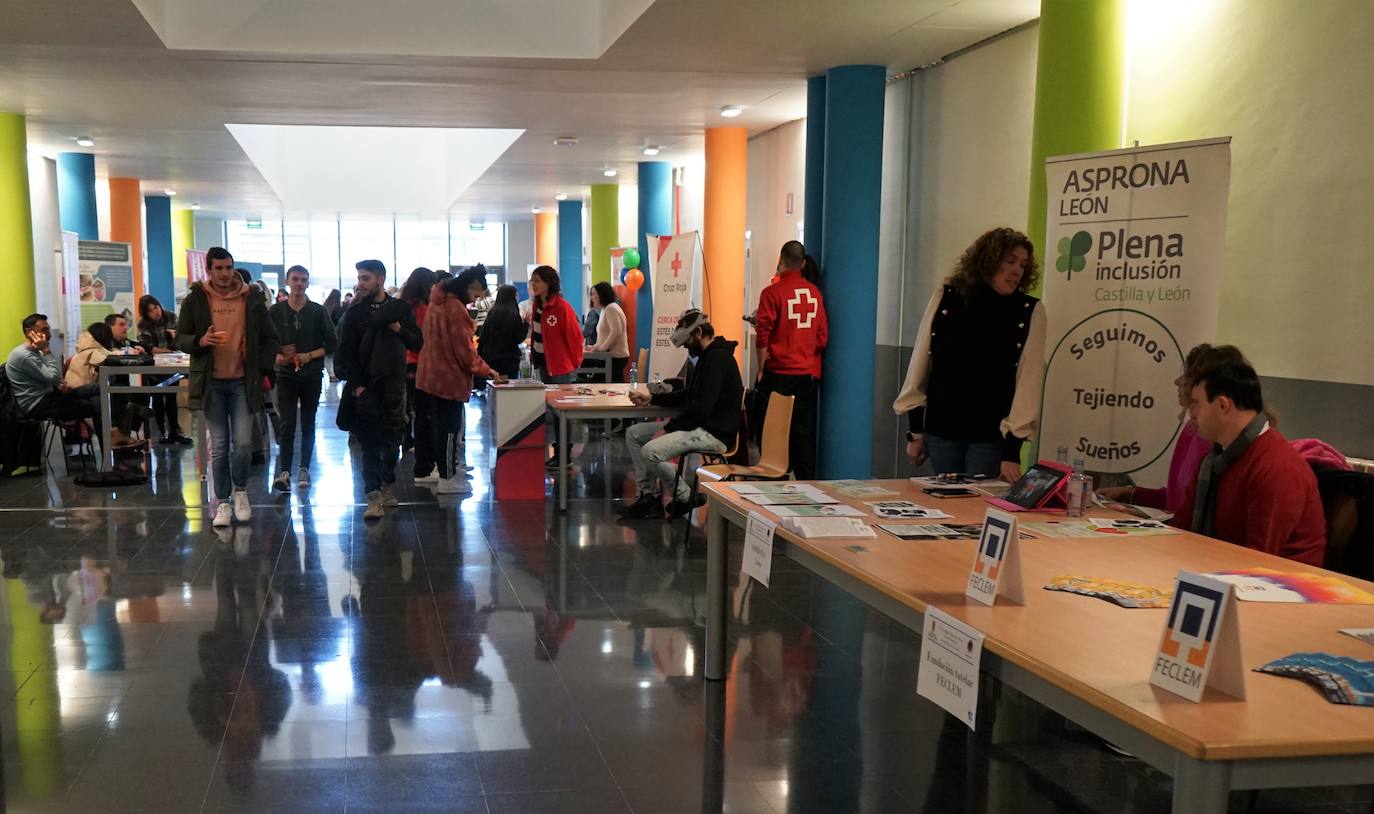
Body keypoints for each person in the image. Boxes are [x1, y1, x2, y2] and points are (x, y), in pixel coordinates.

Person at [893, 227, 1046, 483]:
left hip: (989, 435)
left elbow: (1028, 384)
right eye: (1010, 261)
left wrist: (1012, 452)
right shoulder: (947, 298)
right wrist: (916, 433)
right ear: (989, 260)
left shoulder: (1028, 311)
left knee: (976, 508)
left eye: (1022, 265)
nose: (1017, 270)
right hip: (941, 430)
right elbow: (920, 365)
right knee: (943, 504)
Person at [1171, 359, 1326, 565]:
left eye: (1197, 404)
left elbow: (1258, 559)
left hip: (1280, 586)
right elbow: (1181, 530)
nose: (1193, 413)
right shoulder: (1213, 461)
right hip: (1225, 572)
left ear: (1222, 405)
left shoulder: (1276, 466)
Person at [176, 246, 280, 528]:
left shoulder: (252, 297)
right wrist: (200, 341)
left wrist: (261, 364)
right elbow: (181, 338)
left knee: (244, 444)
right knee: (219, 446)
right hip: (212, 384)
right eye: (219, 268)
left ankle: (241, 492)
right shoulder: (197, 298)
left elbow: (272, 338)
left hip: (243, 383)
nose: (225, 273)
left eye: (228, 267)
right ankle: (223, 502)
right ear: (209, 270)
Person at [619, 309, 743, 519]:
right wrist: (653, 398)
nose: (686, 347)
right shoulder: (707, 357)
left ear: (699, 332)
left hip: (713, 433)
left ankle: (686, 497)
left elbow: (701, 408)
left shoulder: (717, 360)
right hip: (700, 426)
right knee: (634, 433)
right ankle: (649, 497)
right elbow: (689, 395)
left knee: (650, 451)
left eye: (687, 342)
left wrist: (668, 428)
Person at [1098, 344, 1239, 514]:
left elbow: (1193, 515)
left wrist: (1143, 517)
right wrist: (1130, 494)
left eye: (1186, 375)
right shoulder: (1191, 430)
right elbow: (1177, 499)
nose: (1177, 381)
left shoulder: (1213, 438)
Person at [334, 259, 423, 521]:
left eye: (366, 278)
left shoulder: (400, 310)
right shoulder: (355, 313)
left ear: (380, 279)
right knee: (370, 444)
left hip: (395, 385)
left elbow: (417, 341)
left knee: (393, 441)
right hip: (366, 387)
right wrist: (358, 386)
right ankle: (372, 495)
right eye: (360, 278)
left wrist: (397, 328)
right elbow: (346, 352)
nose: (361, 283)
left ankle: (386, 483)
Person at [416, 269, 502, 494]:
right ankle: (447, 478)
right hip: (448, 378)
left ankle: (436, 472)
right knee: (450, 430)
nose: (476, 300)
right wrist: (486, 370)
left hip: (430, 375)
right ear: (469, 286)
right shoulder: (455, 309)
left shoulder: (437, 301)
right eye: (476, 295)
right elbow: (464, 351)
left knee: (433, 427)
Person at [753, 241, 828, 479]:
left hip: (778, 375)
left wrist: (761, 368)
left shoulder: (771, 293)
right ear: (803, 263)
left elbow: (762, 337)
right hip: (807, 376)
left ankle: (774, 482)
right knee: (802, 433)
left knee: (772, 433)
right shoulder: (815, 293)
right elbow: (822, 338)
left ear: (781, 260)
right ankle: (806, 487)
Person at [268, 265, 338, 493]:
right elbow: (266, 341)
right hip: (285, 375)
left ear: (308, 283)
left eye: (303, 280)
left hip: (311, 375)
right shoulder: (276, 312)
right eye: (295, 279)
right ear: (287, 281)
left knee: (308, 422)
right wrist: (277, 355)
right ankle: (285, 471)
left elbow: (331, 343)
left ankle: (304, 468)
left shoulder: (318, 312)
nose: (299, 283)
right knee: (287, 423)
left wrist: (309, 355)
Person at [527, 266, 583, 469]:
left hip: (560, 367)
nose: (533, 284)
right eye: (532, 280)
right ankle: (558, 453)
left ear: (549, 283)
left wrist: (574, 363)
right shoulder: (536, 306)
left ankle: (564, 455)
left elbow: (575, 337)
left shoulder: (561, 307)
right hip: (543, 364)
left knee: (563, 412)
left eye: (538, 280)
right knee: (552, 411)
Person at [7, 314, 102, 433]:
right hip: (38, 404)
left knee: (98, 389)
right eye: (44, 330)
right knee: (97, 406)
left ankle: (109, 435)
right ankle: (110, 441)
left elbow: (54, 378)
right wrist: (46, 351)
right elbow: (51, 376)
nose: (50, 335)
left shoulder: (37, 351)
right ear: (28, 332)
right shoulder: (24, 355)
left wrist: (58, 386)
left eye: (49, 330)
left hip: (50, 395)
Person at [137, 294, 191, 445]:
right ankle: (161, 432)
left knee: (172, 397)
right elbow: (147, 347)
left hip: (173, 364)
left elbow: (181, 339)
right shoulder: (143, 324)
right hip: (154, 367)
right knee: (158, 398)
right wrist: (166, 350)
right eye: (150, 311)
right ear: (145, 314)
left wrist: (174, 339)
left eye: (156, 307)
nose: (156, 312)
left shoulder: (171, 317)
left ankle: (175, 431)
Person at [399, 268, 438, 451]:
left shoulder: (403, 304)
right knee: (423, 409)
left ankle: (406, 440)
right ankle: (419, 445)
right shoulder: (424, 308)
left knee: (405, 406)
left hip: (402, 362)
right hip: (420, 362)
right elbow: (426, 338)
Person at [478, 285, 527, 380]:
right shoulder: (514, 315)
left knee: (493, 389)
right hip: (509, 360)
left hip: (490, 358)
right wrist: (525, 325)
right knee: (507, 390)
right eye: (516, 296)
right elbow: (518, 338)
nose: (518, 298)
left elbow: (483, 335)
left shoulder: (492, 313)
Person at [585, 282, 629, 382]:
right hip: (609, 356)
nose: (592, 297)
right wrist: (596, 346)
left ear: (601, 294)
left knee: (597, 384)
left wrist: (601, 348)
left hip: (614, 357)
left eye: (593, 294)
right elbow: (605, 334)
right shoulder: (605, 309)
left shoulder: (611, 308)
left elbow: (616, 332)